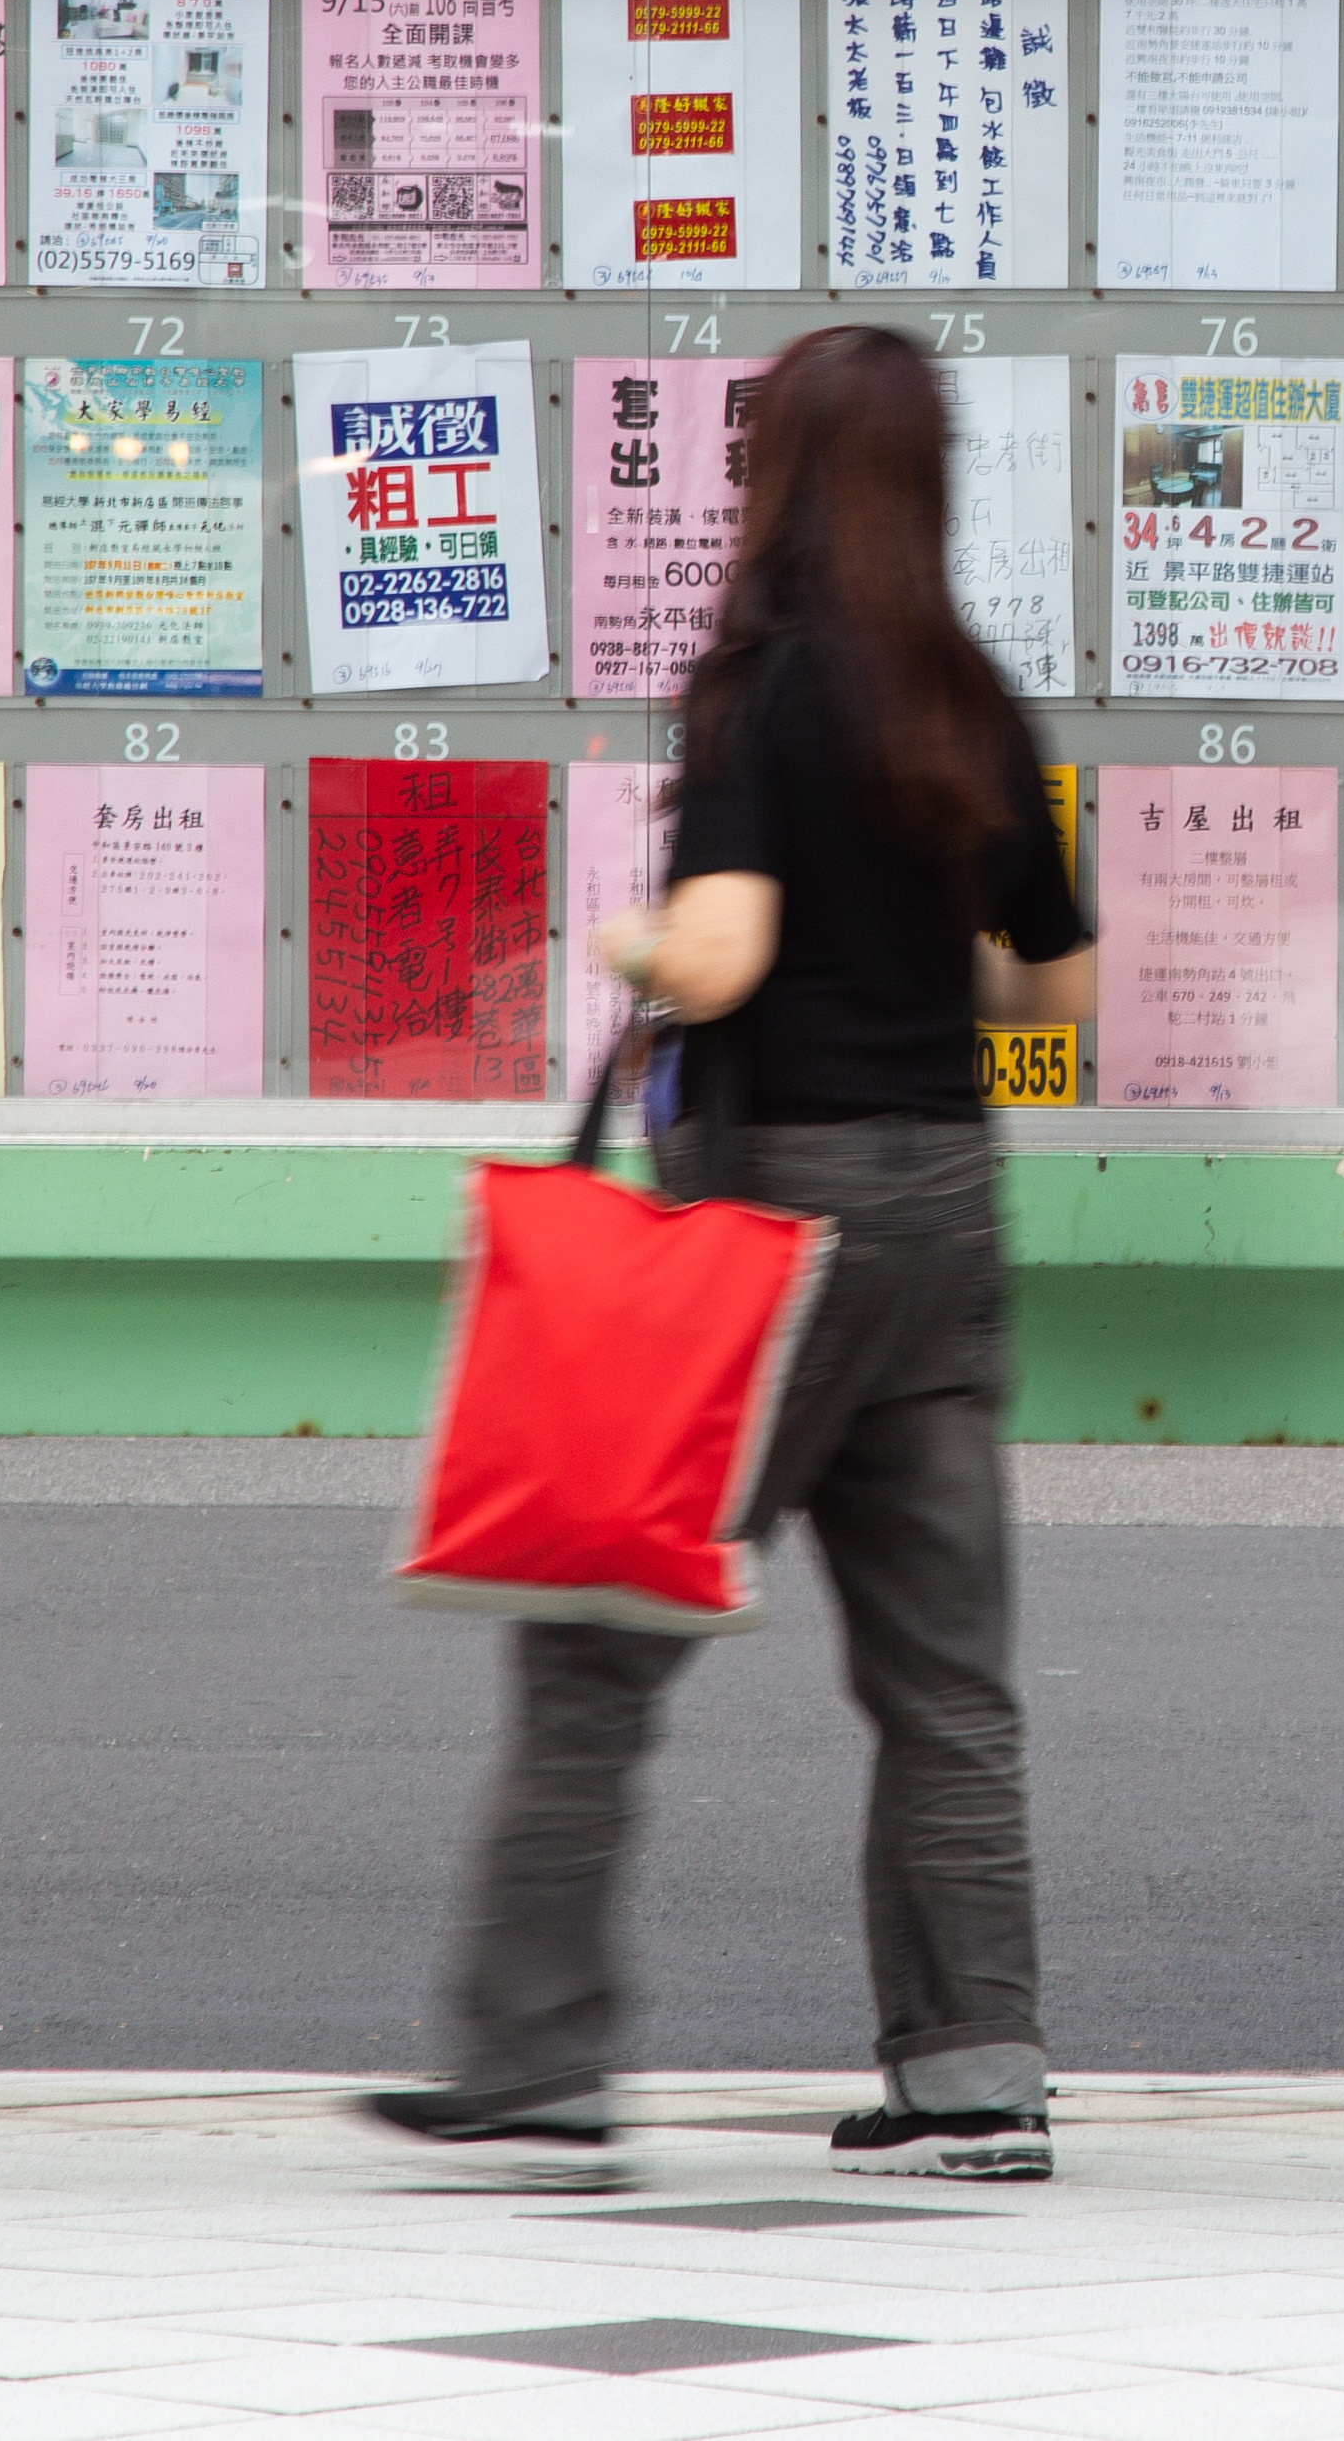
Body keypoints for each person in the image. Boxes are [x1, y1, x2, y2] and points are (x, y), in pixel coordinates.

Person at [367, 326, 1097, 2191]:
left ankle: (533, 2057)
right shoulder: (968, 696)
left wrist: (622, 936)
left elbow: (722, 959)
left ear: (774, 477)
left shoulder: (765, 689)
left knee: (596, 1635)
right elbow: (1052, 983)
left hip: (779, 1221)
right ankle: (976, 2071)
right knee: (947, 1678)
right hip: (948, 1205)